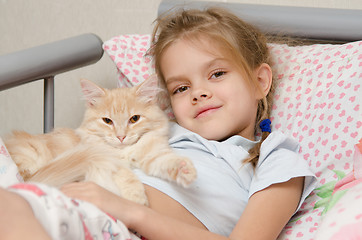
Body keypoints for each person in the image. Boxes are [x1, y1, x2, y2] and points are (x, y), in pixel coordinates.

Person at [0, 7, 316, 240]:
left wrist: (132, 213)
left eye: (217, 73)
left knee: (10, 208)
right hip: (81, 203)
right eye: (181, 88)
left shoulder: (276, 156)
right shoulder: (160, 134)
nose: (199, 93)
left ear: (260, 81)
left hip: (117, 224)